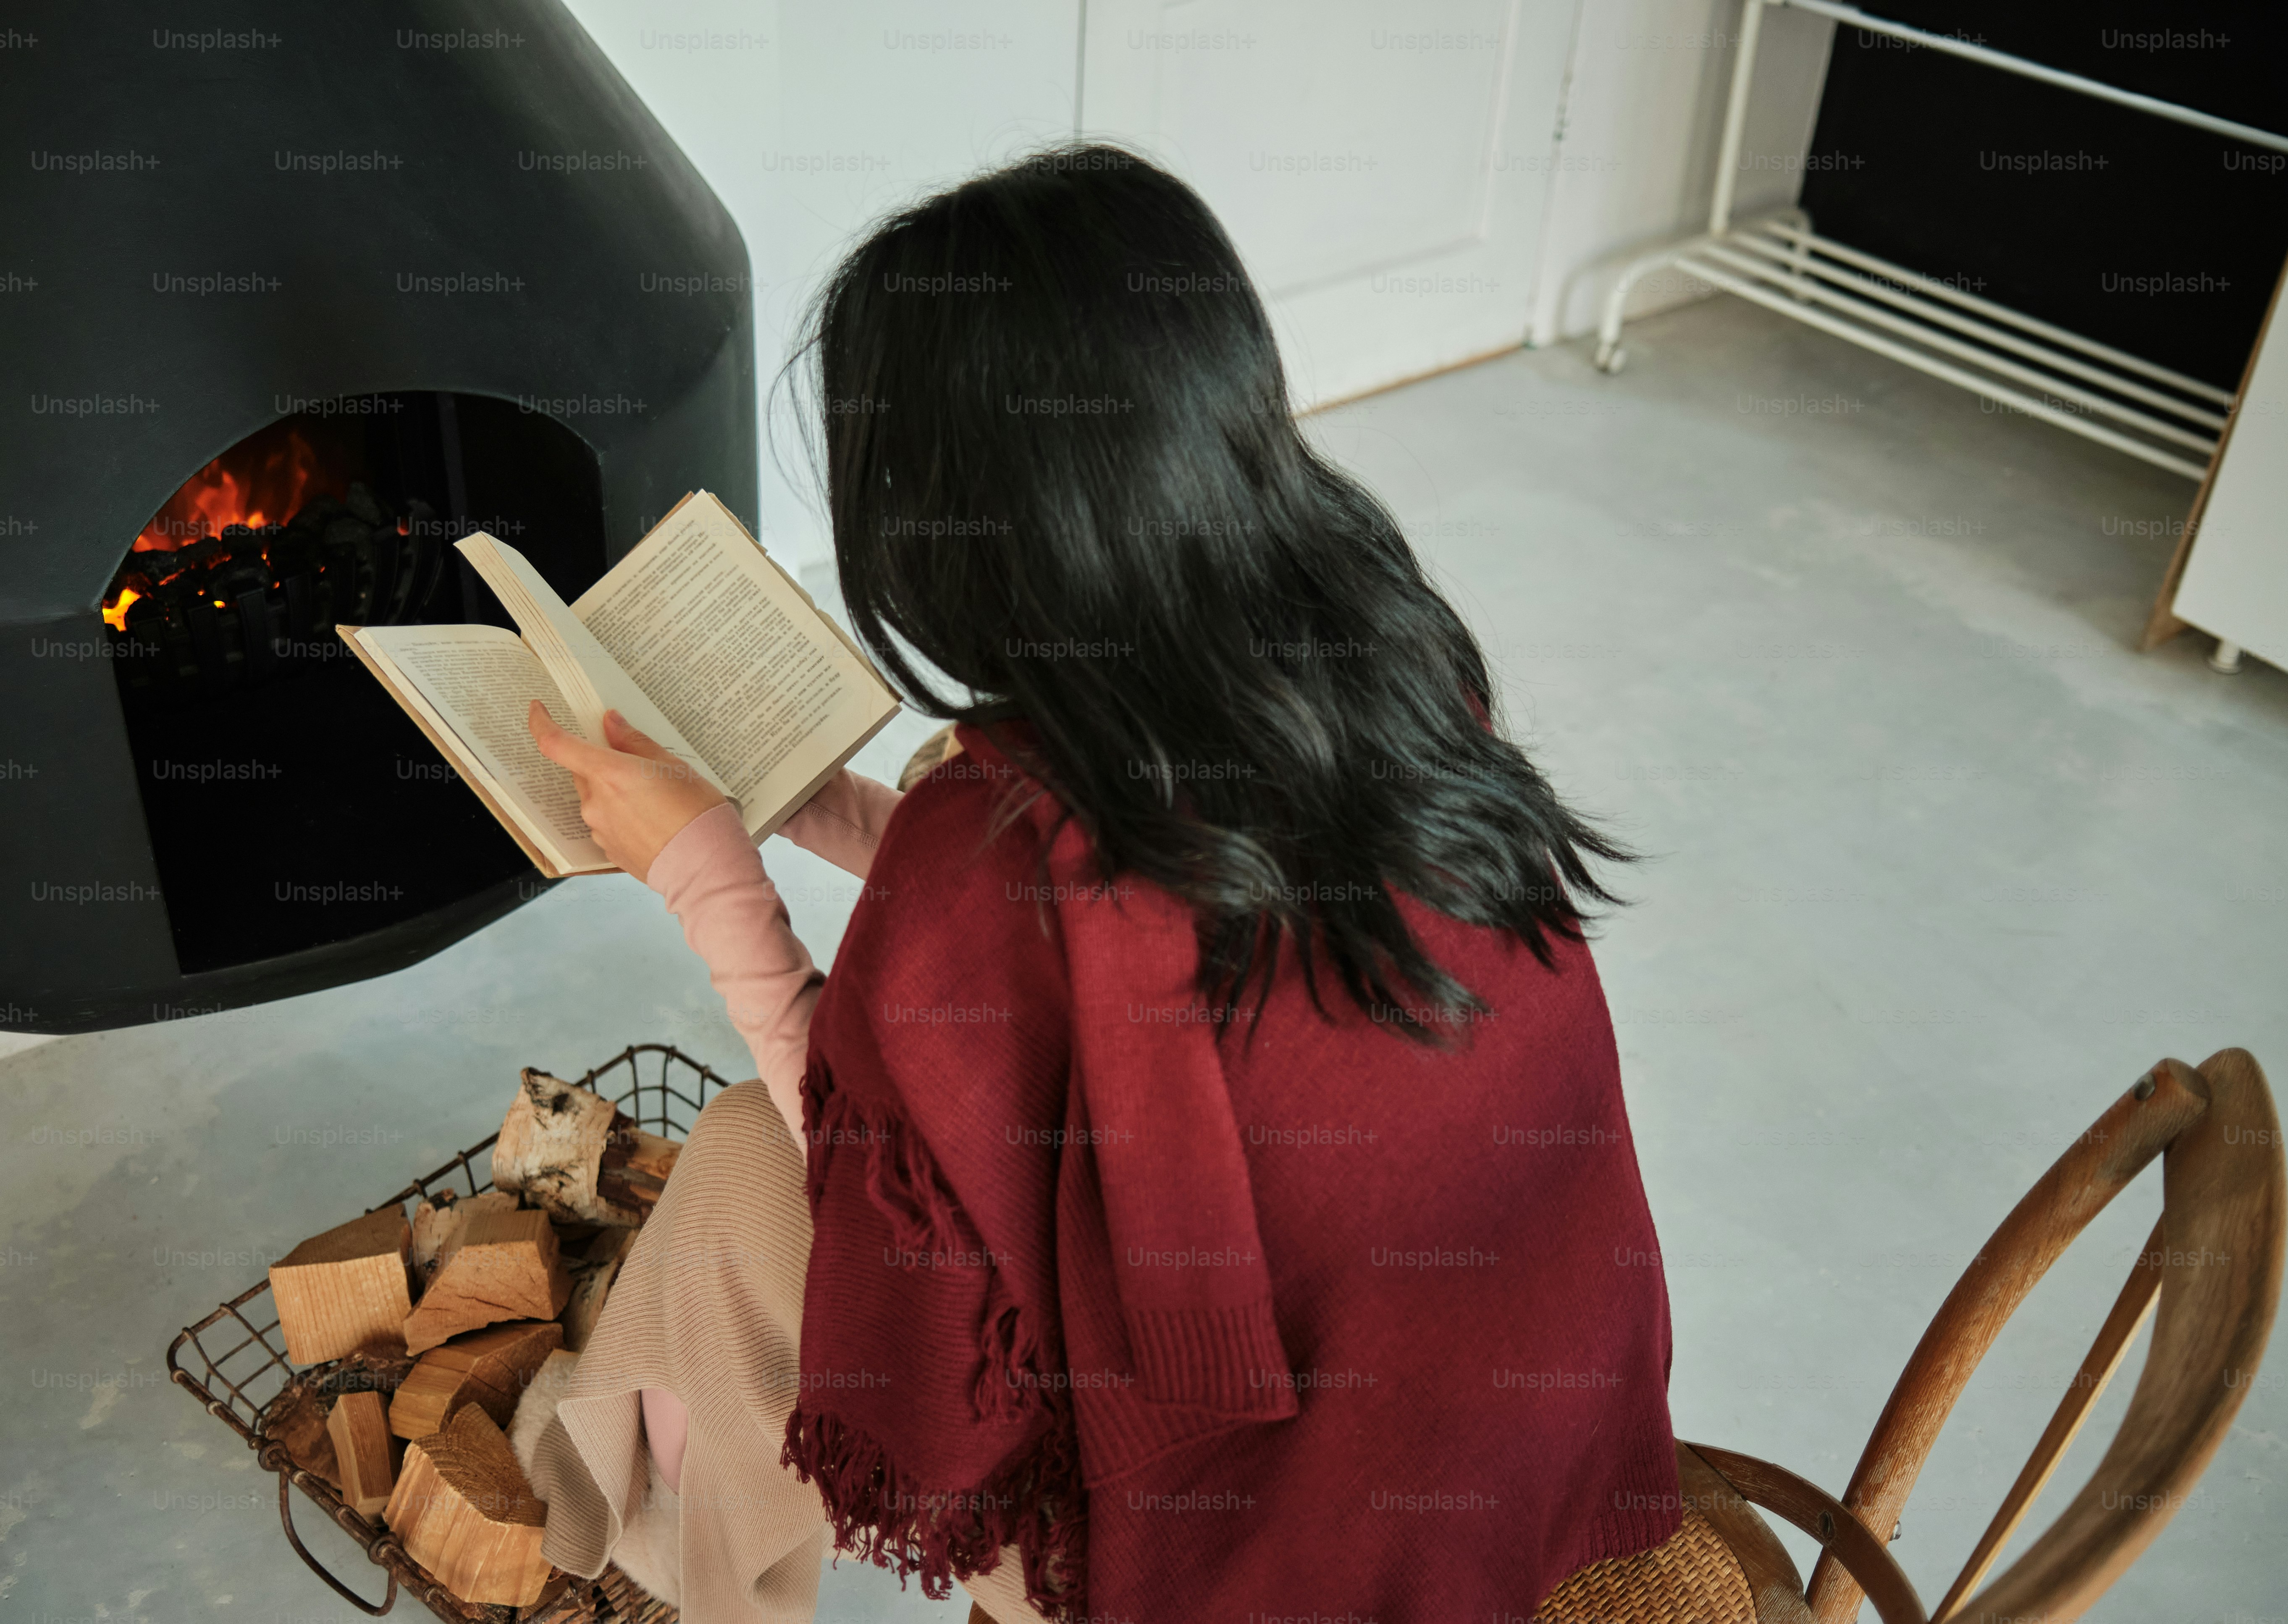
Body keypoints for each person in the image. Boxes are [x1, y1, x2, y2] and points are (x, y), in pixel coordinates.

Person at [520, 144, 1681, 1624]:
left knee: (748, 1167)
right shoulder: (1378, 655)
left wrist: (706, 878)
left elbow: (901, 1206)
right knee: (748, 1214)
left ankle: (653, 1552)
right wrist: (825, 810)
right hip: (1536, 1443)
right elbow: (1151, 951)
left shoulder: (995, 838)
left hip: (1254, 1550)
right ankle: (636, 1500)